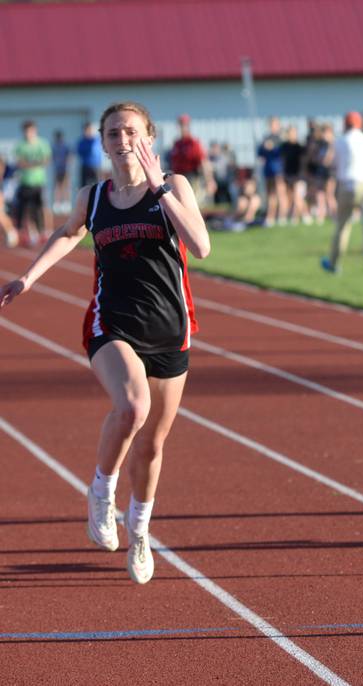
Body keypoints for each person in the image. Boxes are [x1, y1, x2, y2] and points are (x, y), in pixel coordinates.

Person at [0, 101, 211, 584]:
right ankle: (101, 490)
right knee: (132, 408)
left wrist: (161, 188)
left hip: (170, 331)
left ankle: (139, 534)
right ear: (103, 141)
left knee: (153, 446)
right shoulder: (93, 198)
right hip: (111, 325)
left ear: (149, 138)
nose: (122, 140)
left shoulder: (173, 187)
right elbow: (68, 233)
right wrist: (27, 278)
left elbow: (200, 247)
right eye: (113, 132)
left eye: (131, 132)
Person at [321, 111, 363, 273]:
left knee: (342, 226)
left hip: (348, 185)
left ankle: (333, 263)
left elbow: (330, 163)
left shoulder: (340, 141)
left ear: (346, 124)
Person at [13, 119, 51, 246]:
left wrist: (31, 164)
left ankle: (44, 232)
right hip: (25, 182)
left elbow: (46, 159)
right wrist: (33, 164)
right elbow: (19, 162)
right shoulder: (20, 145)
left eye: (30, 131)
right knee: (25, 210)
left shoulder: (42, 143)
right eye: (26, 131)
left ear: (34, 130)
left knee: (40, 209)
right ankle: (29, 234)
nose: (28, 134)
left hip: (39, 182)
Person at [169, 113, 216, 206]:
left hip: (191, 177)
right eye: (180, 125)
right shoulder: (177, 144)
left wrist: (210, 180)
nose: (182, 127)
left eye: (184, 125)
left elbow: (203, 162)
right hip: (178, 177)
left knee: (191, 203)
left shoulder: (193, 143)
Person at [51, 129, 72, 215]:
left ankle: (66, 203)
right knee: (57, 186)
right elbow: (51, 157)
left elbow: (70, 156)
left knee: (65, 186)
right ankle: (57, 204)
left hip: (65, 169)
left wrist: (67, 165)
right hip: (57, 169)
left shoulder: (65, 146)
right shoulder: (54, 146)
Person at [76, 121, 103, 187]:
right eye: (86, 129)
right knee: (83, 186)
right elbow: (79, 153)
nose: (88, 131)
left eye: (89, 129)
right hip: (85, 166)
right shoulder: (81, 141)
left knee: (97, 186)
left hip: (95, 167)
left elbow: (99, 153)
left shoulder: (96, 140)